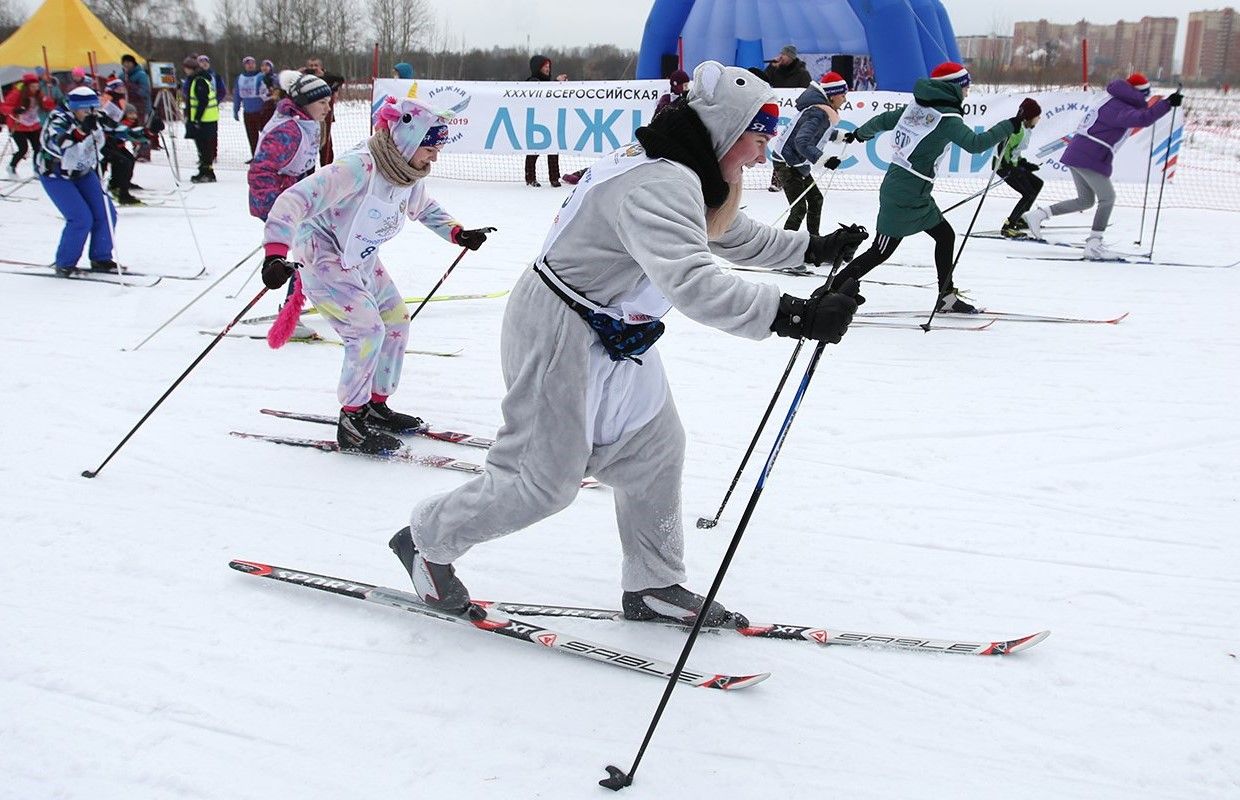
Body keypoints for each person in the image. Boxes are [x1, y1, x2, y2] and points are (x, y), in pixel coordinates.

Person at [388, 60, 868, 622]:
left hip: (618, 332)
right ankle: (425, 540)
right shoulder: (660, 182)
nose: (762, 155)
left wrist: (810, 250)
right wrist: (792, 315)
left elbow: (722, 230)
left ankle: (653, 583)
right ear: (727, 131)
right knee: (539, 484)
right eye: (757, 139)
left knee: (654, 451)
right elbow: (693, 281)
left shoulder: (682, 169)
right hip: (560, 330)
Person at [258, 94, 494, 453]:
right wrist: (275, 254)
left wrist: (457, 233)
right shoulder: (358, 167)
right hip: (322, 255)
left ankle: (376, 405)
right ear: (408, 140)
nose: (435, 156)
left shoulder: (407, 171)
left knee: (397, 322)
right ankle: (352, 420)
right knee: (367, 331)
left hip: (361, 257)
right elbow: (293, 200)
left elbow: (423, 206)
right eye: (430, 148)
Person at [832, 62, 1033, 313]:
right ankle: (832, 291)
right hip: (904, 192)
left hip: (913, 189)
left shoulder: (919, 108)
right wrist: (1008, 125)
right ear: (954, 87)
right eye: (965, 86)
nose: (967, 91)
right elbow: (975, 143)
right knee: (880, 251)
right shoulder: (947, 119)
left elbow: (885, 120)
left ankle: (945, 296)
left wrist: (861, 133)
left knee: (945, 235)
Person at [1023, 74, 1181, 259]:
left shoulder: (1116, 101)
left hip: (1080, 153)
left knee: (1086, 201)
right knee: (1108, 198)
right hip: (1088, 155)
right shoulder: (1119, 106)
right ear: (1139, 93)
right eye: (1146, 94)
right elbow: (1143, 119)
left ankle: (1038, 215)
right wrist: (1167, 104)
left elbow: (1140, 117)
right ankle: (1094, 243)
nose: (1146, 98)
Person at [248, 71, 332, 339]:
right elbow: (260, 170)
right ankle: (290, 316)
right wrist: (276, 211)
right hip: (280, 206)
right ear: (306, 102)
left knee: (312, 251)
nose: (328, 108)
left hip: (296, 204)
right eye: (322, 103)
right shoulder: (288, 130)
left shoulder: (303, 123)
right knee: (303, 256)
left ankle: (304, 304)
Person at [35, 87, 119, 275]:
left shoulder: (91, 116)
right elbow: (58, 142)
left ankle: (101, 257)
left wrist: (145, 131)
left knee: (106, 213)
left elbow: (115, 128)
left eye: (92, 109)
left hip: (82, 172)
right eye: (85, 110)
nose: (90, 114)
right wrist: (80, 132)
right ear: (74, 108)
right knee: (81, 218)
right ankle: (65, 263)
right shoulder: (59, 118)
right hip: (56, 174)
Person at [562, 69, 690, 188]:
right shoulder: (666, 100)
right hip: (655, 141)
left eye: (686, 86)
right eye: (683, 85)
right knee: (620, 158)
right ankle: (584, 173)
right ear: (674, 84)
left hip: (669, 146)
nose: (685, 89)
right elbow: (657, 120)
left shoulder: (686, 100)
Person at [768, 71, 850, 247]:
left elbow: (819, 134)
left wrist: (841, 137)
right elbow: (801, 142)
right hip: (787, 162)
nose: (845, 99)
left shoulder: (821, 110)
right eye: (843, 95)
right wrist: (825, 159)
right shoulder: (817, 112)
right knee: (799, 208)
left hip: (797, 161)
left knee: (816, 199)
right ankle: (782, 249)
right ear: (832, 95)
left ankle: (814, 243)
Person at [763, 45, 812, 193]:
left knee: (790, 148)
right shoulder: (775, 69)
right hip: (779, 114)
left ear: (791, 57)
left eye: (784, 55)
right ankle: (778, 180)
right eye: (781, 54)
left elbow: (806, 94)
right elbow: (763, 81)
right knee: (780, 147)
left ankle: (790, 179)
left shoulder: (802, 74)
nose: (781, 57)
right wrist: (772, 67)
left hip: (794, 117)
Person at [993, 98, 1044, 238]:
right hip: (1003, 166)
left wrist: (1024, 164)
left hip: (1012, 165)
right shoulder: (1018, 130)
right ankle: (1009, 226)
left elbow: (1014, 152)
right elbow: (1002, 147)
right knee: (1028, 193)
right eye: (1037, 116)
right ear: (1029, 117)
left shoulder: (1026, 130)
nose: (1039, 118)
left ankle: (1020, 219)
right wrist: (1009, 166)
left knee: (1037, 184)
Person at [524, 55, 567, 187]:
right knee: (534, 151)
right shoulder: (532, 81)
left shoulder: (549, 82)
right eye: (545, 66)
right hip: (536, 123)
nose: (548, 69)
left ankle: (554, 177)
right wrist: (556, 82)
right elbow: (541, 92)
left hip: (551, 120)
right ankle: (530, 177)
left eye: (549, 66)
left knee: (554, 150)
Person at [1, 73, 54, 177]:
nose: (35, 89)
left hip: (33, 125)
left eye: (37, 86)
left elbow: (48, 104)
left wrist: (51, 100)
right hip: (18, 126)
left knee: (38, 148)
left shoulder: (39, 94)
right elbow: (3, 108)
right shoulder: (16, 94)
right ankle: (11, 166)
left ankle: (36, 169)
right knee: (23, 149)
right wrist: (14, 110)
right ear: (27, 86)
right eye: (33, 87)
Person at [182, 55, 220, 183]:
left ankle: (208, 172)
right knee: (202, 148)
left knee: (204, 148)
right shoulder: (199, 79)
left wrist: (197, 118)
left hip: (205, 120)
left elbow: (202, 101)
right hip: (205, 120)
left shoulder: (199, 81)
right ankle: (204, 170)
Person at [302, 57, 345, 166]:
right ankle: (309, 169)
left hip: (324, 116)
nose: (313, 68)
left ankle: (326, 166)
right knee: (309, 143)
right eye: (311, 66)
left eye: (316, 65)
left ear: (321, 67)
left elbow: (340, 79)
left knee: (325, 143)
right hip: (308, 116)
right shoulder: (305, 78)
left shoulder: (327, 78)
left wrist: (322, 75)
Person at [234, 56, 270, 157]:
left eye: (252, 63)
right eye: (247, 63)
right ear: (244, 65)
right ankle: (254, 156)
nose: (250, 65)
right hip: (248, 112)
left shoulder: (261, 76)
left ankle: (266, 155)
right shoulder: (240, 78)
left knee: (265, 136)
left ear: (255, 64)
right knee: (252, 136)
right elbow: (237, 94)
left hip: (261, 112)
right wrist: (235, 110)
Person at [120, 54, 152, 161]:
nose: (126, 65)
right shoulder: (122, 75)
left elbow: (145, 91)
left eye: (129, 63)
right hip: (128, 107)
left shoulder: (141, 75)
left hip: (141, 107)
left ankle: (144, 153)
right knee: (130, 129)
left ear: (133, 63)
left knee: (141, 129)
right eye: (124, 63)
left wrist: (132, 87)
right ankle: (136, 149)